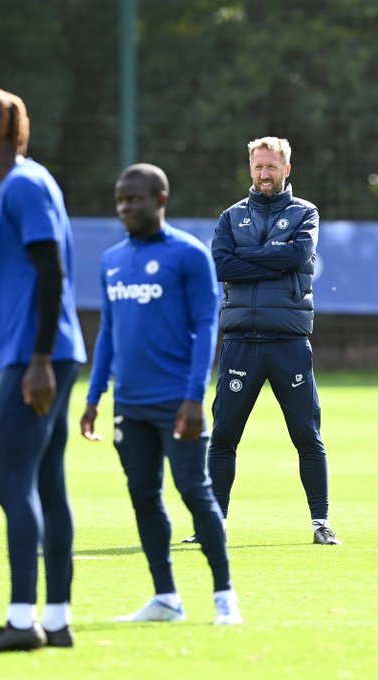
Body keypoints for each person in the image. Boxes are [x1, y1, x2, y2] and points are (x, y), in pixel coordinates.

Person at [80, 163, 242, 626]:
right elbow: (108, 331)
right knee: (144, 496)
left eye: (135, 199)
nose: (126, 207)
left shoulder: (188, 254)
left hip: (176, 402)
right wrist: (94, 396)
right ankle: (166, 598)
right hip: (129, 405)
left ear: (161, 200)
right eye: (120, 200)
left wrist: (194, 396)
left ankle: (224, 597)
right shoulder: (112, 260)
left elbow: (207, 326)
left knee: (194, 491)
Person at [0, 88, 87, 653]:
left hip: (41, 357)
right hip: (31, 355)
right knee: (46, 484)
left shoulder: (24, 185)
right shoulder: (17, 187)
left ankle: (20, 620)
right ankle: (55, 621)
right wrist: (11, 362)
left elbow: (50, 271)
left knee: (11, 483)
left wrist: (36, 360)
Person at [182, 136, 340, 547]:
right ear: (250, 169)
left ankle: (321, 523)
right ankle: (212, 524)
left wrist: (248, 256)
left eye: (271, 166)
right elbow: (221, 264)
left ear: (287, 169)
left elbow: (298, 256)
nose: (264, 174)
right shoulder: (231, 216)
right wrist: (273, 256)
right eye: (258, 166)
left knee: (307, 435)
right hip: (240, 341)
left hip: (289, 342)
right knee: (223, 436)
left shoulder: (305, 212)